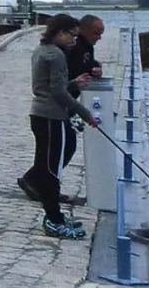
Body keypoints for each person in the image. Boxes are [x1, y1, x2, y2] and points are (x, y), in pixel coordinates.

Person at [21, 14, 99, 239]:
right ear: (60, 32)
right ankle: (53, 220)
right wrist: (85, 113)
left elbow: (50, 86)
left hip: (40, 114)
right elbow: (57, 93)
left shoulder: (41, 50)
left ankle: (55, 215)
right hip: (51, 117)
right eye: (72, 35)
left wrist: (74, 83)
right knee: (52, 172)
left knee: (46, 168)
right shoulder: (56, 55)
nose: (75, 40)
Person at [61, 15, 105, 169]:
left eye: (101, 34)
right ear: (84, 30)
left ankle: (41, 179)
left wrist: (96, 70)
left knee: (66, 146)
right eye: (96, 33)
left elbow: (87, 66)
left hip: (70, 103)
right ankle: (40, 179)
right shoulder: (73, 47)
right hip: (61, 103)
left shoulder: (87, 47)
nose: (99, 37)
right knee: (65, 146)